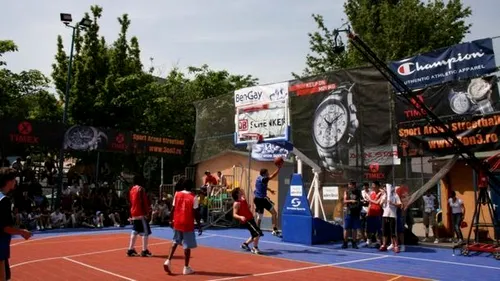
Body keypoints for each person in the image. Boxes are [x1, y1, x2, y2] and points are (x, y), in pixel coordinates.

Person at [164, 178, 202, 275]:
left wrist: (170, 220)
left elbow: (173, 209)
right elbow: (195, 213)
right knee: (187, 246)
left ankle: (168, 261)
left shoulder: (177, 194)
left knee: (175, 242)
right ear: (191, 186)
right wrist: (199, 225)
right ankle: (186, 267)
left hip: (177, 222)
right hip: (187, 223)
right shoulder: (194, 197)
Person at [0, 167, 32, 281]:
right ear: (8, 181)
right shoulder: (4, 200)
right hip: (1, 243)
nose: (15, 181)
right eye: (14, 179)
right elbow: (5, 227)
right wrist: (22, 232)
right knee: (3, 276)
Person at [126, 175, 152, 257]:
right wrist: (147, 212)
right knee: (145, 232)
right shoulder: (141, 189)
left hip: (134, 212)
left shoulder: (132, 190)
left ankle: (130, 249)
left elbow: (131, 202)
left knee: (135, 230)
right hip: (141, 213)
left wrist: (131, 213)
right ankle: (144, 250)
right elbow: (143, 202)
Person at [231, 188, 263, 255]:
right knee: (257, 233)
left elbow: (246, 207)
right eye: (240, 191)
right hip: (246, 220)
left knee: (254, 233)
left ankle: (245, 244)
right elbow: (234, 214)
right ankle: (255, 248)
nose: (242, 191)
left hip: (251, 218)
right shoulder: (236, 203)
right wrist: (240, 217)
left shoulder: (243, 199)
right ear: (237, 193)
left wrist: (248, 206)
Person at [254, 165, 282, 237]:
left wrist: (270, 190)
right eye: (267, 172)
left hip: (263, 198)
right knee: (260, 216)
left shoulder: (259, 178)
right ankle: (257, 230)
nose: (268, 173)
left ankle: (274, 229)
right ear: (264, 174)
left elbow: (263, 186)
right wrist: (278, 169)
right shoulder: (263, 179)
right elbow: (272, 176)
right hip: (259, 199)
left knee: (274, 213)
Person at [380, 184, 401, 253]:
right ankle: (384, 245)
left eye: (386, 188)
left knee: (393, 232)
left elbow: (399, 205)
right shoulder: (384, 196)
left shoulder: (395, 195)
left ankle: (396, 245)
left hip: (392, 215)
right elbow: (380, 204)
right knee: (384, 231)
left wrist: (392, 203)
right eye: (385, 188)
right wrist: (384, 200)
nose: (385, 189)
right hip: (385, 215)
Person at [342, 180, 362, 249]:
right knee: (346, 228)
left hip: (356, 212)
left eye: (350, 184)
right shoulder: (347, 192)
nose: (349, 186)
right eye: (349, 184)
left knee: (355, 228)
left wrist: (360, 203)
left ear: (354, 185)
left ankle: (354, 243)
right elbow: (344, 201)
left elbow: (360, 200)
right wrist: (351, 201)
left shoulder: (358, 192)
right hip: (348, 211)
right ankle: (345, 242)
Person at [393, 183, 410, 252]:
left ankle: (402, 245)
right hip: (392, 215)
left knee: (400, 230)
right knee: (394, 231)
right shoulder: (391, 195)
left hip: (399, 214)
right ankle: (395, 244)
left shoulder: (400, 196)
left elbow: (402, 205)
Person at [366, 181, 383, 247]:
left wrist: (369, 199)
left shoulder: (381, 193)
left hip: (378, 214)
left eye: (373, 185)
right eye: (372, 185)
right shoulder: (372, 193)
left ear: (377, 186)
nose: (372, 187)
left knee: (379, 229)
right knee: (369, 229)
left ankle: (379, 242)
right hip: (371, 214)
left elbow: (377, 203)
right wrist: (368, 212)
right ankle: (369, 242)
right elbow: (370, 204)